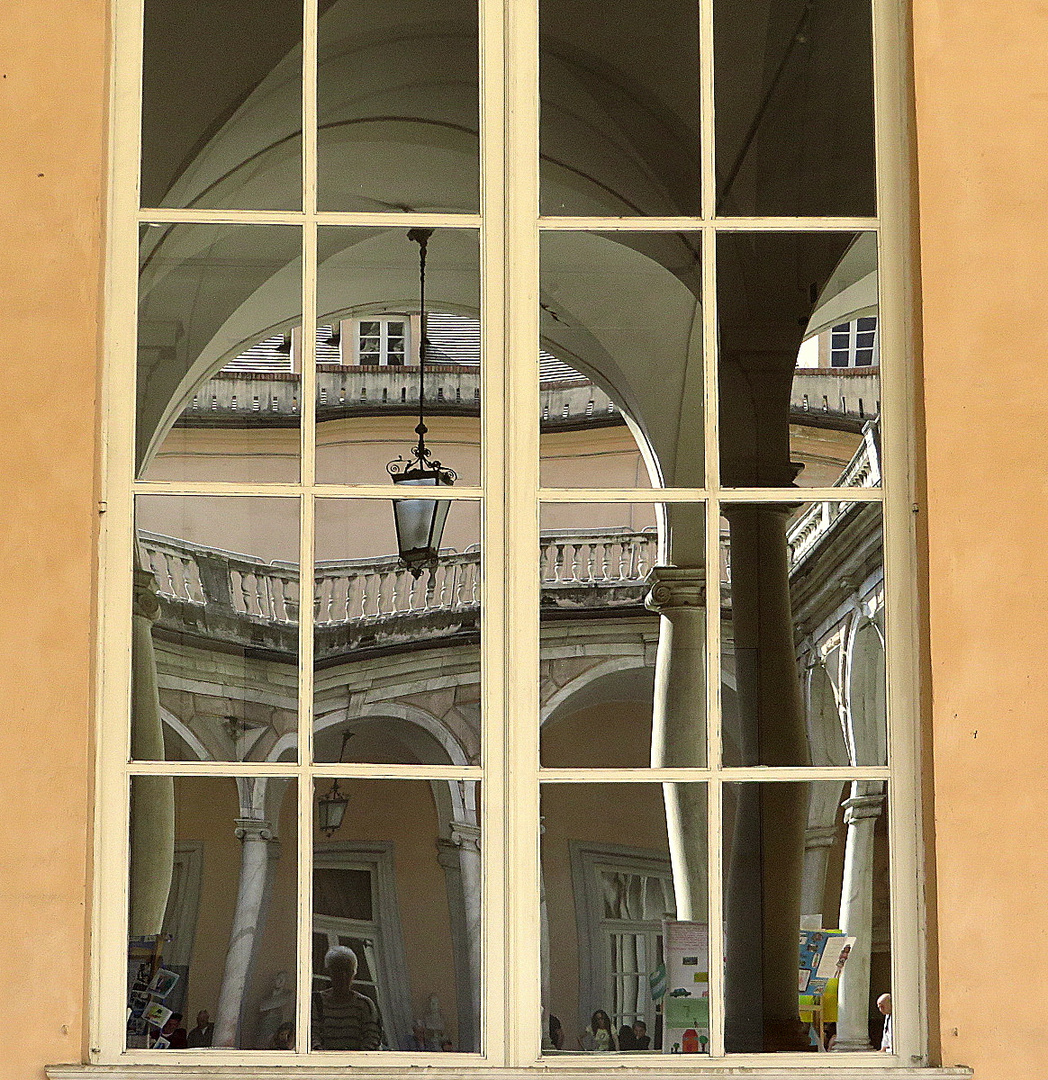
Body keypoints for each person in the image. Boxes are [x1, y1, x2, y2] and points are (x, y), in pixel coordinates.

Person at [311, 945, 383, 1050]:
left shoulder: (364, 1004)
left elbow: (372, 1039)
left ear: (354, 974)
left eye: (347, 971)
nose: (343, 976)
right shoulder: (317, 1002)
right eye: (338, 971)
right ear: (329, 972)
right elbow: (312, 1036)